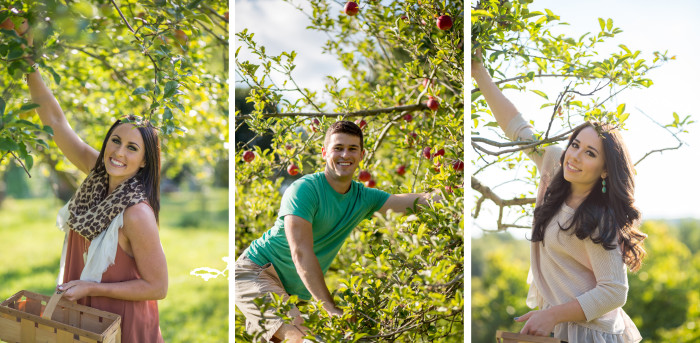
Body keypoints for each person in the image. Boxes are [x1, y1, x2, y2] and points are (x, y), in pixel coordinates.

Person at [472, 49, 646, 343]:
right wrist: (479, 73)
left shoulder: (599, 220)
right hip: (560, 327)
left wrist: (552, 315)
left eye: (589, 153)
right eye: (575, 145)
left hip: (590, 333)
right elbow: (517, 128)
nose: (574, 157)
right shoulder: (555, 164)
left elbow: (615, 290)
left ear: (605, 170)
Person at [235, 120, 440, 343]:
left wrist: (455, 187)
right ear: (325, 152)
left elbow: (420, 202)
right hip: (257, 272)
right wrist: (330, 307)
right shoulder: (304, 190)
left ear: (362, 155)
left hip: (294, 294)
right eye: (338, 148)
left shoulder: (363, 198)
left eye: (352, 149)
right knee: (304, 338)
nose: (345, 154)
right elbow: (301, 253)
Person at [23, 28, 167, 342]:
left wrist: (91, 287)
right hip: (85, 316)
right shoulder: (97, 174)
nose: (118, 152)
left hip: (121, 324)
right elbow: (56, 122)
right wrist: (27, 60)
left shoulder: (136, 213)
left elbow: (158, 286)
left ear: (144, 161)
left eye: (132, 147)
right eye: (115, 141)